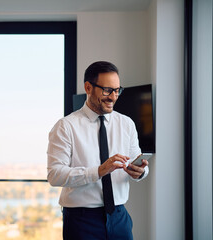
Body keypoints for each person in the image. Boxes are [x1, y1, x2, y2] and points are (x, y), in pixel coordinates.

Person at [47, 61, 149, 240]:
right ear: (88, 87)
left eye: (117, 90)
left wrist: (140, 171)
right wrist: (99, 171)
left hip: (119, 216)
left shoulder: (126, 124)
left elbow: (138, 161)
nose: (113, 97)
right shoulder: (65, 127)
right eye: (107, 90)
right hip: (81, 220)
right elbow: (55, 175)